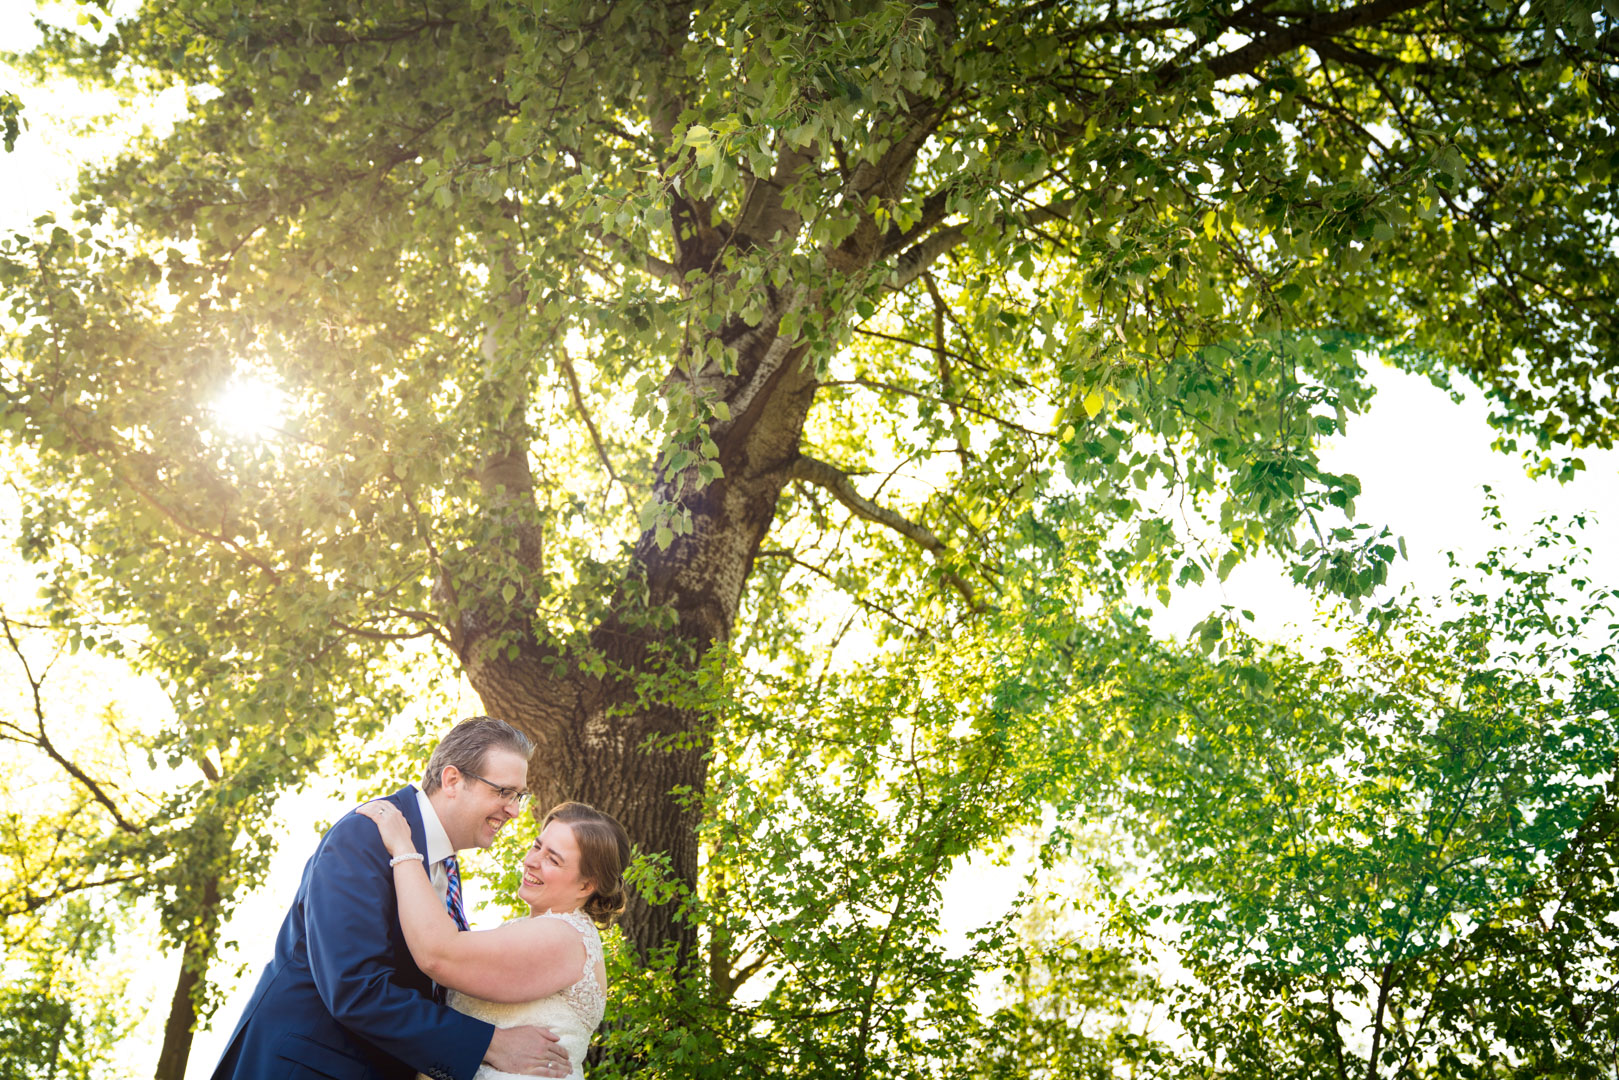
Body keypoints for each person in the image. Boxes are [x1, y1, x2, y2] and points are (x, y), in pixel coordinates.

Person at [209, 717, 573, 1080]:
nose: (514, 810)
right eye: (503, 792)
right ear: (452, 780)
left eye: (519, 796)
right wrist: (492, 1044)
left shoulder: (441, 863)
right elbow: (354, 987)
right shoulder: (365, 835)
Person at [354, 798, 631, 1080]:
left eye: (553, 859)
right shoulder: (531, 930)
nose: (532, 861)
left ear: (586, 885)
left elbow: (438, 955)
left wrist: (402, 847)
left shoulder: (563, 936)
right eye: (537, 846)